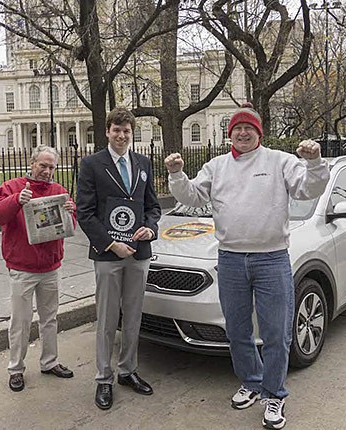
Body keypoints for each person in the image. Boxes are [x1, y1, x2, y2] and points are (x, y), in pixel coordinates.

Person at [164, 103, 329, 430]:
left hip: (271, 258)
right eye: (237, 128)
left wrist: (314, 162)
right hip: (230, 259)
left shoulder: (280, 161)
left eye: (249, 128)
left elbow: (308, 187)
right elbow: (194, 197)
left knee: (275, 332)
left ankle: (274, 394)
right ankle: (252, 382)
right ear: (230, 134)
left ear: (258, 133)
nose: (243, 133)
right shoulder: (217, 166)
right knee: (237, 329)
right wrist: (176, 173)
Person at [76, 107, 161, 411]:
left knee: (134, 315)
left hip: (138, 252)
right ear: (107, 131)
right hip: (109, 254)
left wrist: (150, 230)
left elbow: (153, 206)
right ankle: (103, 378)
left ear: (131, 133)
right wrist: (111, 244)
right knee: (108, 318)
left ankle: (127, 371)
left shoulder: (143, 163)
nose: (122, 135)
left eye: (127, 131)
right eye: (117, 130)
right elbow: (84, 212)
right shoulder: (91, 164)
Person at [0, 145, 76, 393]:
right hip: (22, 268)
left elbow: (70, 225)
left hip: (50, 266)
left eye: (51, 167)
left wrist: (70, 212)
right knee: (21, 321)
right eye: (42, 165)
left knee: (49, 319)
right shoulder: (13, 187)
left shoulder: (59, 191)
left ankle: (50, 361)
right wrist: (16, 200)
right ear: (32, 163)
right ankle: (16, 369)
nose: (47, 171)